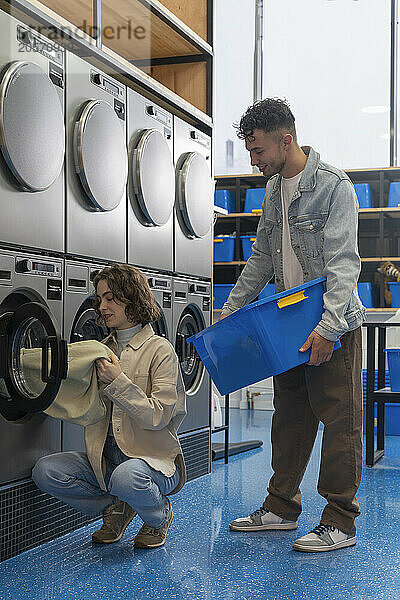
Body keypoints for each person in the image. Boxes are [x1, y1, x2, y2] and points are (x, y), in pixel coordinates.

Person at [223, 98, 365, 553]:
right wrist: (232, 308)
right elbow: (262, 258)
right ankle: (282, 508)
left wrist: (329, 328)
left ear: (287, 140)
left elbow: (344, 264)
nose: (254, 161)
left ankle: (340, 520)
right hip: (287, 323)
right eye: (250, 152)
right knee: (289, 420)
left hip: (330, 324)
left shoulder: (333, 187)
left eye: (259, 151)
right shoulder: (272, 191)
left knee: (339, 422)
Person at [33, 263, 186, 549]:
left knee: (127, 478)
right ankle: (117, 507)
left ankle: (158, 517)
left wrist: (118, 382)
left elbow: (158, 416)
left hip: (152, 462)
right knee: (46, 471)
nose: (102, 306)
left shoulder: (160, 350)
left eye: (110, 298)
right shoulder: (101, 349)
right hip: (105, 460)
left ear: (133, 297)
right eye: (99, 299)